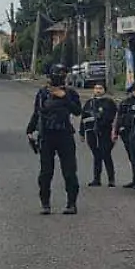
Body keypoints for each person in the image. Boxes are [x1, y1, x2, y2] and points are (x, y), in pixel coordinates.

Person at [26, 64, 82, 216]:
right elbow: (37, 112)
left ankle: (71, 204)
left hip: (64, 134)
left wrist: (63, 97)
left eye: (63, 74)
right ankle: (45, 204)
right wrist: (30, 131)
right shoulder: (43, 93)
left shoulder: (70, 93)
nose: (59, 77)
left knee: (69, 171)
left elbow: (77, 111)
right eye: (57, 74)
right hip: (47, 135)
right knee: (46, 172)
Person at [81, 82, 119, 187]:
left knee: (106, 154)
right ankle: (96, 179)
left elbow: (114, 117)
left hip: (105, 133)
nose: (98, 90)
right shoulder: (89, 103)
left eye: (100, 88)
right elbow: (83, 118)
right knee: (96, 156)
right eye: (96, 88)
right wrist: (82, 133)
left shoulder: (109, 102)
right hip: (91, 133)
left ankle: (111, 179)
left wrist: (114, 132)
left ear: (104, 90)